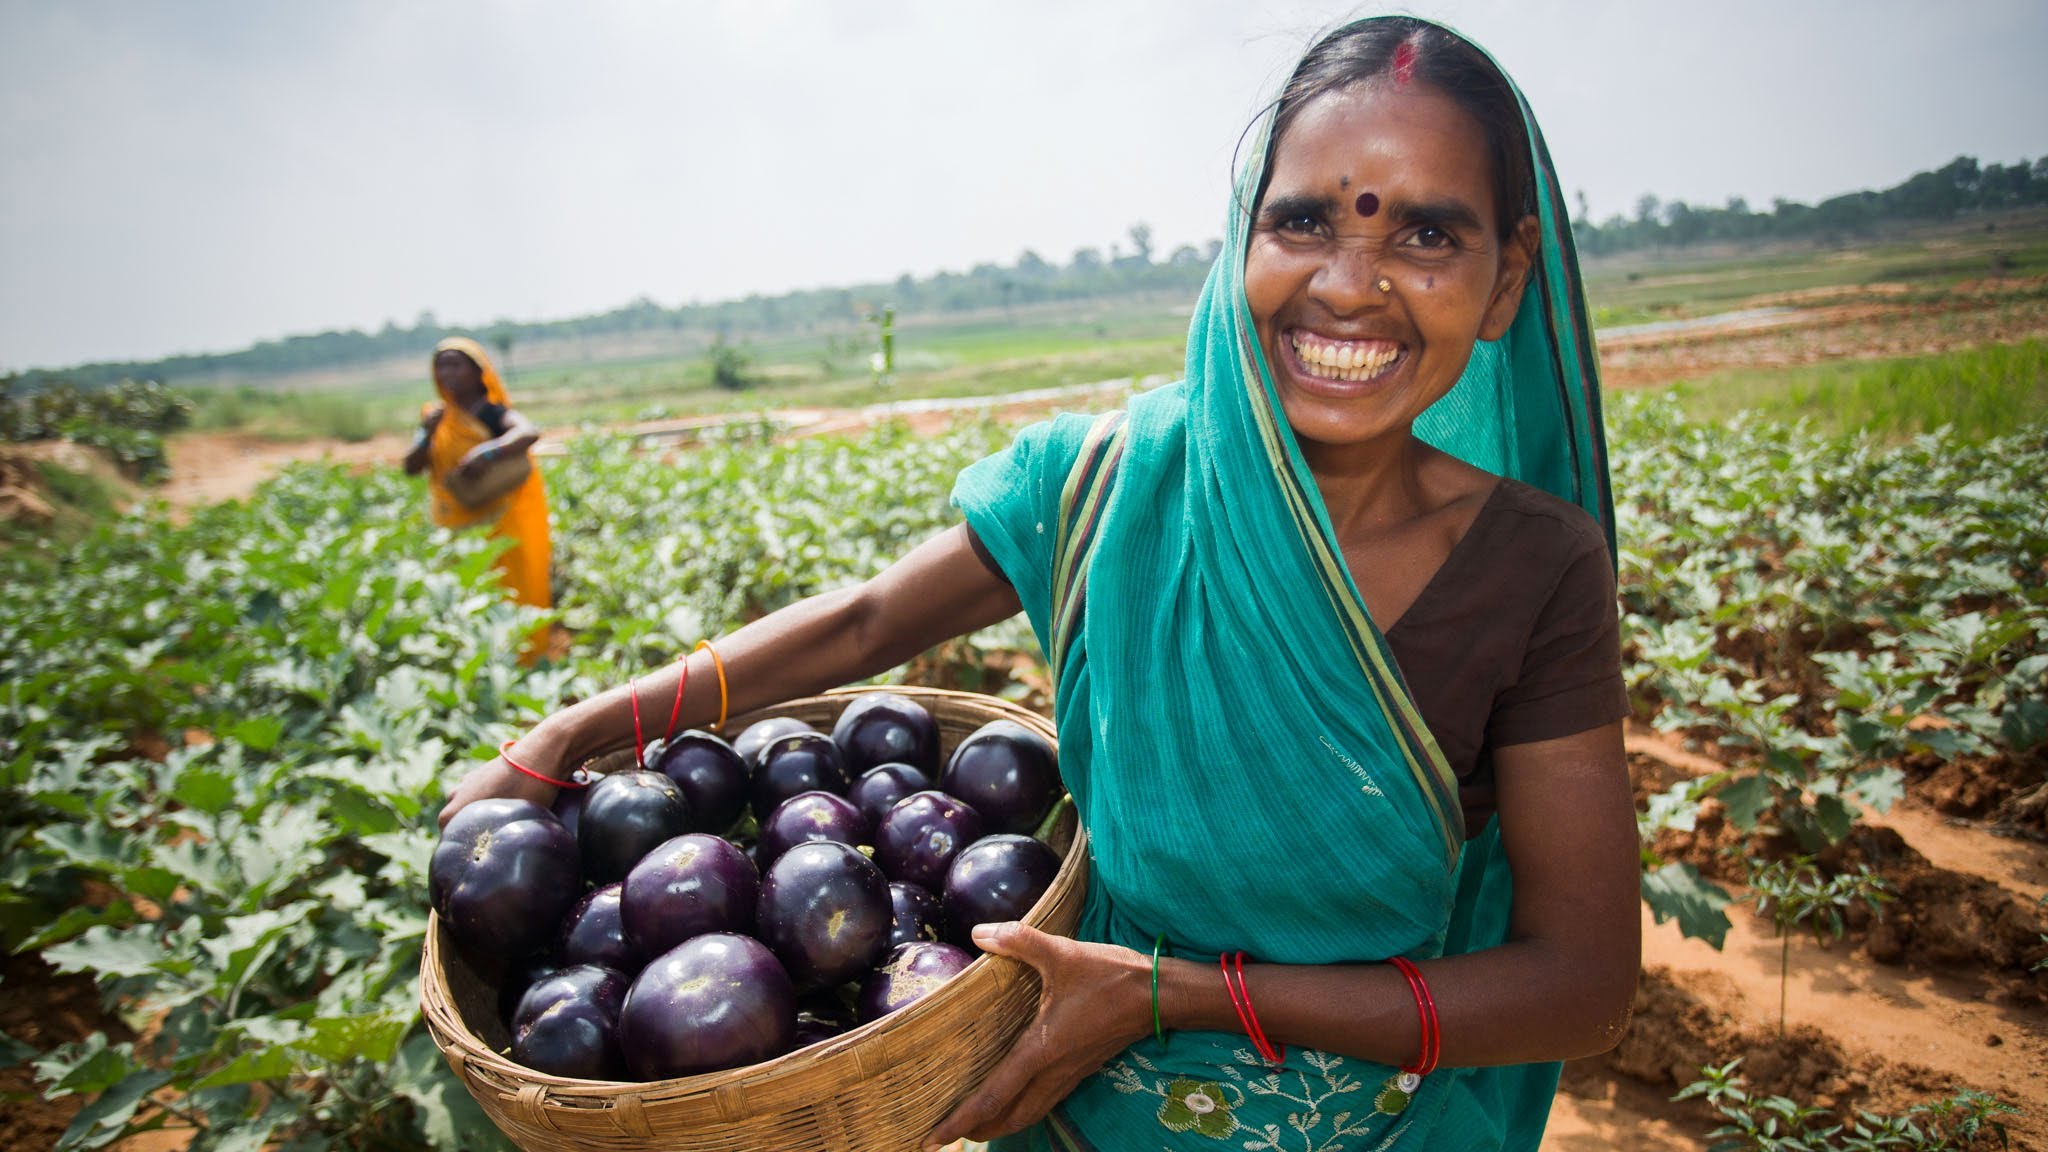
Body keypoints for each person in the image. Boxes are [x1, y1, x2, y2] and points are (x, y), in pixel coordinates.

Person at [440, 15, 1637, 1150]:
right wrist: (573, 732)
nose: (1348, 282)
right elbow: (864, 620)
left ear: (1505, 281)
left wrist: (1171, 996)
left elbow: (1578, 989)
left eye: (1426, 233)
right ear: (1241, 240)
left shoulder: (1531, 569)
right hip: (1064, 1107)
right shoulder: (1101, 483)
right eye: (1303, 223)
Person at [404, 336, 552, 612]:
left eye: (456, 365)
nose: (448, 373)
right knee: (468, 592)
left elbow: (527, 432)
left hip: (500, 519)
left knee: (512, 589)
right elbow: (411, 467)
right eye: (441, 366)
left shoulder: (492, 413)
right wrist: (427, 435)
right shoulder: (435, 418)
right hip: (456, 517)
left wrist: (487, 452)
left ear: (477, 371)